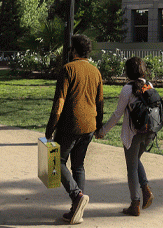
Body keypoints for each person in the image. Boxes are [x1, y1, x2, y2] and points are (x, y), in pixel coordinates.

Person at [45, 34, 103, 225]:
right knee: (78, 165)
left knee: (56, 162)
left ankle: (77, 196)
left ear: (74, 50)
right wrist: (99, 124)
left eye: (70, 48)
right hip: (89, 126)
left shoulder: (68, 69)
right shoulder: (95, 71)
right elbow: (100, 102)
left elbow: (60, 100)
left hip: (70, 125)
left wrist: (51, 126)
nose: (69, 51)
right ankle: (77, 210)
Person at [97, 57, 156, 217]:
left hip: (133, 133)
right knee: (135, 160)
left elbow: (117, 114)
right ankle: (145, 190)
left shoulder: (127, 89)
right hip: (149, 132)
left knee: (132, 167)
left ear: (128, 71)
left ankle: (135, 203)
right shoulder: (149, 85)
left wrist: (103, 131)